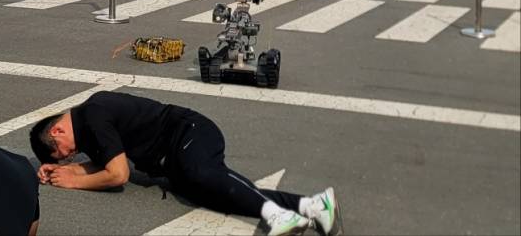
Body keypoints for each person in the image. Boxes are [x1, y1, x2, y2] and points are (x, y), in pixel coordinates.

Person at [30, 91, 342, 236]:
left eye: (63, 154)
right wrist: (64, 172)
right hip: (175, 156)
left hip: (190, 132)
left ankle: (276, 215)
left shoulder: (94, 114)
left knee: (202, 174)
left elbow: (118, 174)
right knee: (214, 191)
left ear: (57, 131)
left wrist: (74, 180)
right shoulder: (87, 128)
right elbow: (105, 164)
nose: (71, 156)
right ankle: (313, 206)